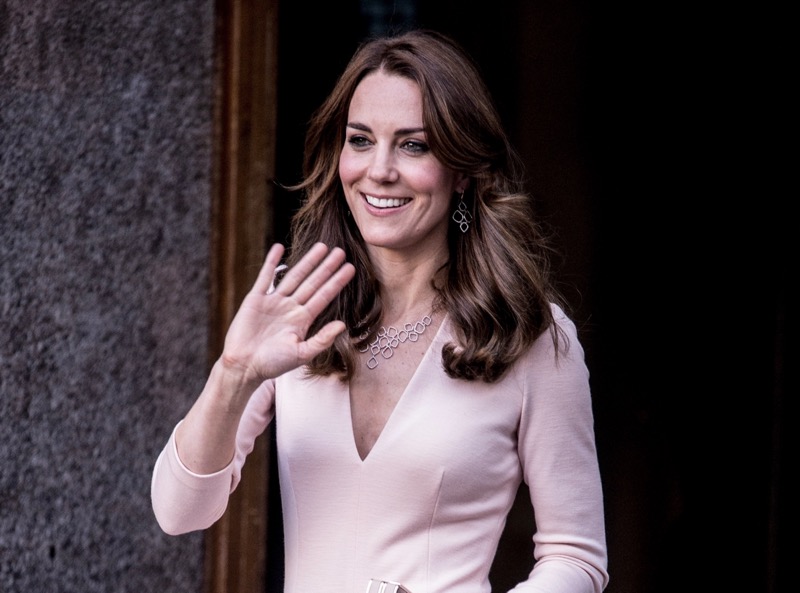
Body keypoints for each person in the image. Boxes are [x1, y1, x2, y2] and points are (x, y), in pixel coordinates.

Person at [151, 28, 609, 593]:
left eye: (413, 145)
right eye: (361, 140)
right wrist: (233, 373)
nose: (380, 169)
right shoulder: (296, 308)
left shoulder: (527, 333)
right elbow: (179, 512)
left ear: (462, 171)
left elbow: (576, 556)